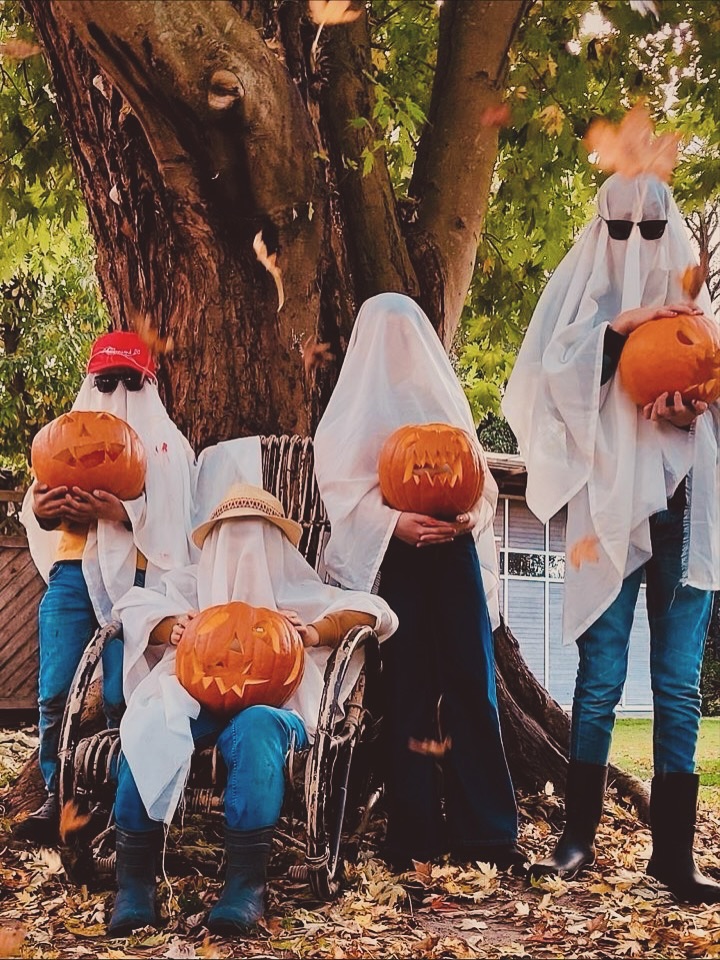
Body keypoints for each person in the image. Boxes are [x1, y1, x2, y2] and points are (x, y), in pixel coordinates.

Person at [502, 173, 720, 905]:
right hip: (607, 511)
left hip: (687, 511)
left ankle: (673, 854)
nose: (636, 248)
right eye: (621, 231)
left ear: (675, 233)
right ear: (601, 232)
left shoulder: (701, 317)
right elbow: (536, 389)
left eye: (651, 232)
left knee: (677, 685)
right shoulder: (582, 311)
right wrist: (615, 334)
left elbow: (710, 394)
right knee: (598, 680)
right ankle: (578, 839)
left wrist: (693, 416)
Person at [108, 466, 398, 937]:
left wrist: (313, 631)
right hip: (196, 703)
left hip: (278, 710)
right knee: (151, 725)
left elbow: (378, 612)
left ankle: (245, 884)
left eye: (255, 538)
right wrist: (171, 627)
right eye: (230, 537)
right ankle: (134, 882)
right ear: (214, 543)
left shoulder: (299, 593)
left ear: (276, 546)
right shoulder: (191, 587)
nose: (242, 552)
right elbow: (130, 607)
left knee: (259, 725)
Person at [313, 292, 523, 872]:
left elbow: (481, 487)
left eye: (409, 336)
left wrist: (466, 519)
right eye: (388, 336)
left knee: (471, 684)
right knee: (406, 690)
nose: (399, 347)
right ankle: (415, 834)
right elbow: (342, 490)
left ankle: (488, 834)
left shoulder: (444, 402)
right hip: (393, 560)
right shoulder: (350, 411)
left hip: (452, 557)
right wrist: (392, 522)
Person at [15, 331, 197, 845]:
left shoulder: (168, 447)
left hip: (138, 585)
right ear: (91, 380)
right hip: (73, 574)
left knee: (125, 692)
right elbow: (37, 508)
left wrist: (120, 513)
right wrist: (45, 512)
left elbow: (178, 520)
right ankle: (61, 797)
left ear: (147, 384)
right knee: (55, 691)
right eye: (106, 379)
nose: (116, 389)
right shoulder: (63, 437)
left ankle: (124, 802)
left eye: (128, 380)